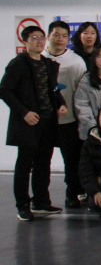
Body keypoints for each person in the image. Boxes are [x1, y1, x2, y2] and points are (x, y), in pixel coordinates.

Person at [1, 25, 68, 220]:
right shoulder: (18, 64)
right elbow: (4, 90)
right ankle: (23, 206)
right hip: (28, 123)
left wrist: (61, 104)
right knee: (24, 164)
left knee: (43, 163)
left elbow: (53, 89)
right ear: (25, 41)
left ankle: (41, 202)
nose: (39, 41)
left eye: (41, 37)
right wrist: (24, 112)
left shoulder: (47, 63)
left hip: (47, 122)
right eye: (34, 38)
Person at [42, 20, 88, 208]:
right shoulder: (39, 58)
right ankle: (41, 199)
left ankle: (72, 194)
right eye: (56, 35)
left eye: (64, 36)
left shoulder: (76, 60)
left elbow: (82, 91)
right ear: (48, 36)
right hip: (44, 121)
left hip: (69, 120)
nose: (60, 39)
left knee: (71, 160)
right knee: (42, 161)